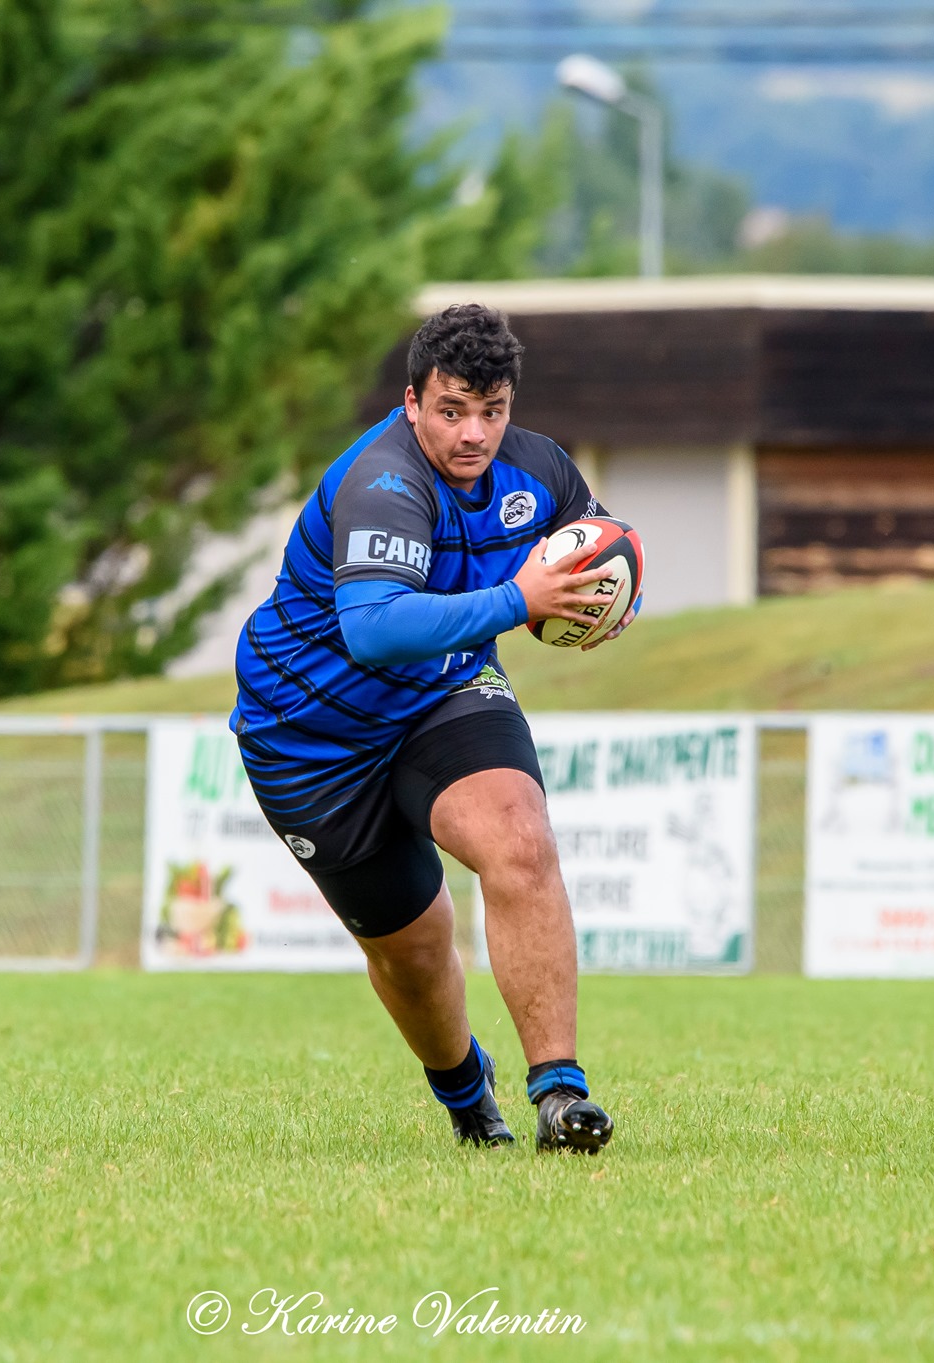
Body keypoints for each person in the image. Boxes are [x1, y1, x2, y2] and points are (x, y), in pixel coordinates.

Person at [230, 303, 637, 1153]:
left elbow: (599, 542)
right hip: (307, 735)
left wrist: (614, 595)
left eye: (492, 411)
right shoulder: (382, 481)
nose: (473, 434)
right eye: (452, 410)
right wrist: (520, 601)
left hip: (442, 696)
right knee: (414, 952)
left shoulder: (540, 471)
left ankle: (561, 1094)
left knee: (520, 839)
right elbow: (374, 629)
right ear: (413, 402)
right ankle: (464, 1093)